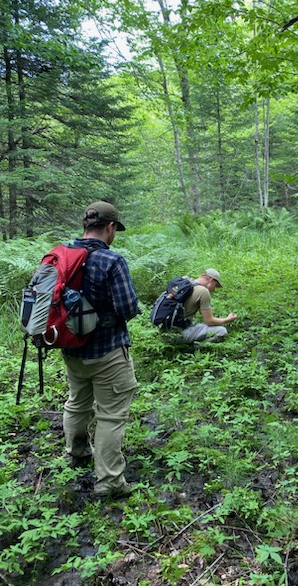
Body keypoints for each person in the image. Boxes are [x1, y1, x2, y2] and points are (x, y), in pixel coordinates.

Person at [62, 201, 139, 499]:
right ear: (109, 228)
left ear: (85, 226)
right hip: (107, 352)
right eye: (114, 230)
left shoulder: (62, 256)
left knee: (77, 402)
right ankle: (109, 482)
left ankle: (78, 451)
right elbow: (127, 308)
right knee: (111, 416)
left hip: (71, 350)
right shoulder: (111, 261)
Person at [169, 268, 237, 345]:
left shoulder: (184, 284)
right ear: (211, 280)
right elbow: (209, 321)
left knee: (196, 325)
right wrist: (227, 319)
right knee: (221, 331)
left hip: (163, 331)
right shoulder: (203, 291)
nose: (214, 289)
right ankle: (192, 348)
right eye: (215, 286)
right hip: (177, 334)